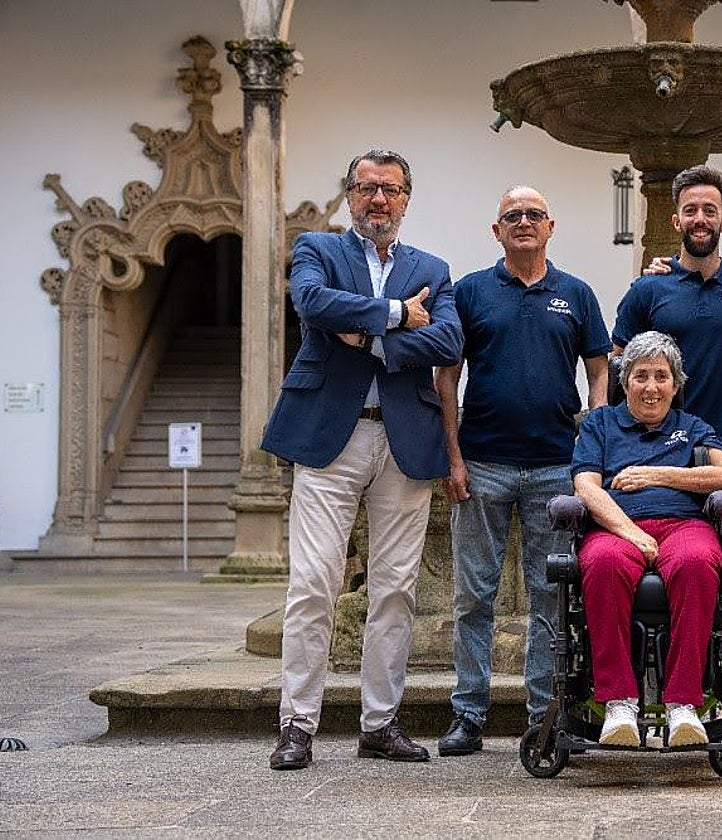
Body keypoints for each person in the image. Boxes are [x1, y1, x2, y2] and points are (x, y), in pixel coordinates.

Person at [262, 149, 464, 770]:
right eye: (367, 187)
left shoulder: (433, 267)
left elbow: (449, 340)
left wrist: (369, 339)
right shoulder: (318, 249)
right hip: (331, 436)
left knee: (396, 589)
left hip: (404, 441)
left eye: (391, 189)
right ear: (350, 195)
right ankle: (297, 724)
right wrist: (398, 315)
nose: (379, 199)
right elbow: (312, 304)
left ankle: (380, 723)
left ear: (406, 199)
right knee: (313, 583)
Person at [435, 186, 610, 757]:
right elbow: (446, 377)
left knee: (549, 597)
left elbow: (599, 371)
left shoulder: (576, 294)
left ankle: (545, 715)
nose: (524, 222)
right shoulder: (470, 292)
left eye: (534, 215)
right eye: (513, 215)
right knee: (472, 597)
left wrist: (593, 444)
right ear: (497, 230)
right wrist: (453, 457)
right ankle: (468, 713)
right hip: (482, 465)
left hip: (556, 467)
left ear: (551, 226)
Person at [571, 331, 722, 748]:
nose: (651, 387)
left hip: (683, 526)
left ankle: (683, 703)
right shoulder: (600, 425)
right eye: (641, 376)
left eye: (661, 376)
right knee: (604, 562)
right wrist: (630, 532)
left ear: (676, 384)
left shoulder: (692, 427)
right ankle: (618, 703)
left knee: (696, 562)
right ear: (625, 381)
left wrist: (657, 475)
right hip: (617, 527)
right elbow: (586, 487)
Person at [612, 165, 722, 481]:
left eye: (710, 210)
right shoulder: (647, 290)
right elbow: (617, 369)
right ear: (676, 221)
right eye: (690, 210)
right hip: (654, 455)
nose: (700, 219)